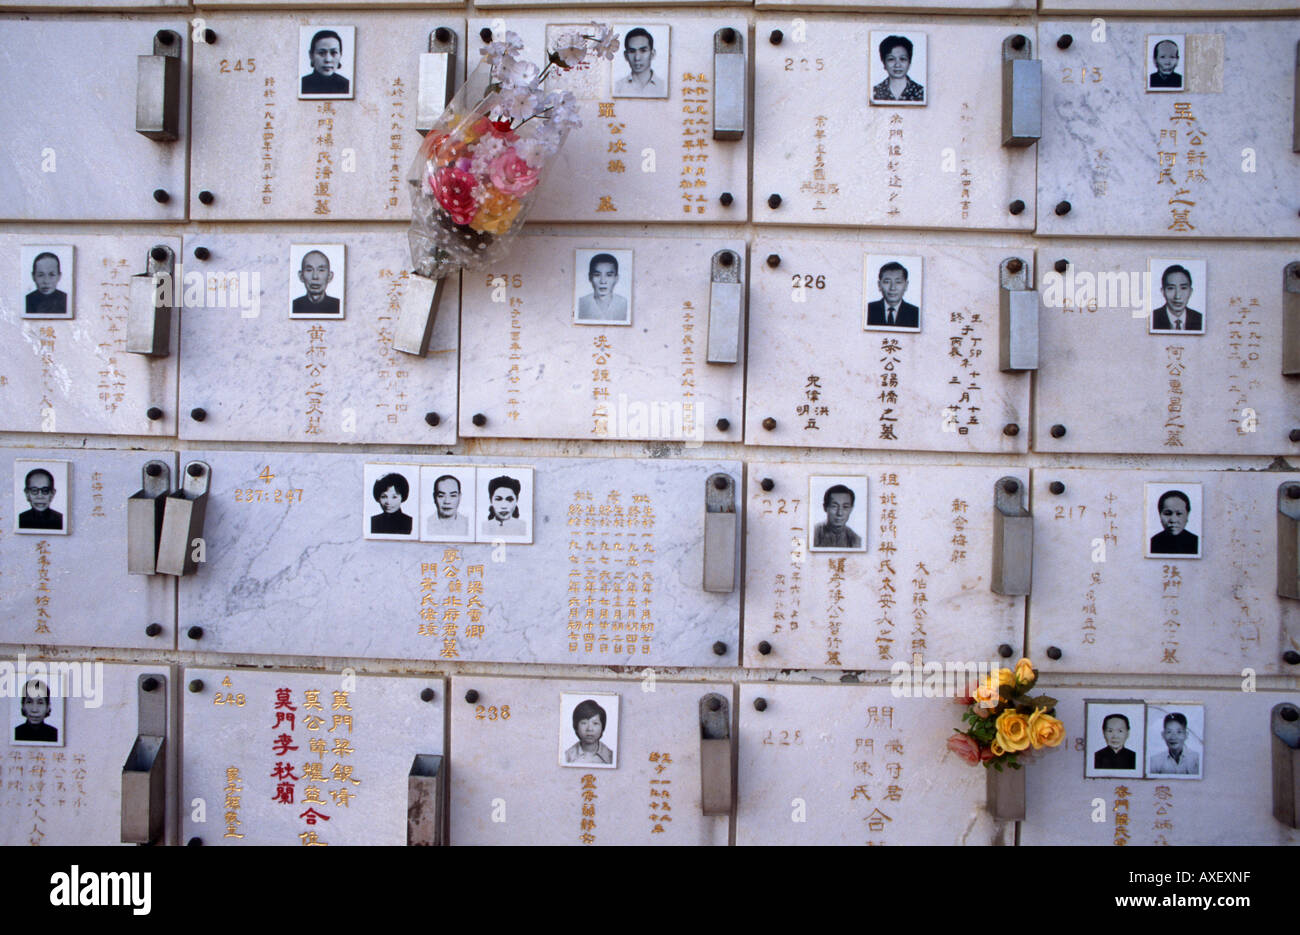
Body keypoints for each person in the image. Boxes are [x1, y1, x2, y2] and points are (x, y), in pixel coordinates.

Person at [576, 253, 628, 323]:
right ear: (590, 277)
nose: (603, 281)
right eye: (597, 275)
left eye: (609, 275)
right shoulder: (580, 304)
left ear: (616, 278)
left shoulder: (625, 305)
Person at [866, 262, 920, 328]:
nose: (892, 288)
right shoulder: (868, 310)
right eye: (887, 282)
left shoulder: (916, 313)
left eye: (898, 282)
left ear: (906, 285)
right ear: (879, 285)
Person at [872, 35, 924, 103]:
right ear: (884, 63)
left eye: (902, 59)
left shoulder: (921, 92)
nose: (897, 65)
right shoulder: (875, 92)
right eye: (891, 59)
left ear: (909, 62)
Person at [1150, 264, 1202, 332]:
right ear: (1163, 292)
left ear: (1190, 291)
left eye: (1183, 288)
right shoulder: (1152, 318)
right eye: (1171, 288)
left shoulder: (1200, 319)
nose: (1177, 296)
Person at [614, 28, 663, 98]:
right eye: (632, 51)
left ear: (652, 54)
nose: (637, 58)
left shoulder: (663, 87)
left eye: (643, 51)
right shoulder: (617, 88)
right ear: (626, 55)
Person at [564, 698, 614, 764]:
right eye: (584, 723)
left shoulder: (611, 757)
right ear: (576, 726)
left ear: (603, 727)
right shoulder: (566, 757)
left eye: (595, 723)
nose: (589, 729)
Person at [291, 250, 341, 317]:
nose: (315, 276)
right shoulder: (294, 306)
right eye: (309, 270)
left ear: (329, 276)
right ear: (301, 276)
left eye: (321, 270)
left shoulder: (338, 306)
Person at [1149, 489, 1198, 556]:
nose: (1173, 520)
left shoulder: (1197, 542)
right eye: (1167, 513)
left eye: (1179, 513)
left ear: (1187, 515)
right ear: (1159, 514)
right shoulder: (1152, 543)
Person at [301, 30, 349, 96]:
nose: (328, 59)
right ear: (311, 55)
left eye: (333, 53)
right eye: (321, 53)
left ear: (340, 55)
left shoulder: (347, 86)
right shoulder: (301, 84)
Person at [813, 484, 861, 548]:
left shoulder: (856, 540)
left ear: (851, 509)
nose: (839, 513)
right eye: (834, 506)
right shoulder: (813, 534)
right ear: (825, 507)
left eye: (845, 507)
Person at [424, 474, 468, 538]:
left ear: (459, 497)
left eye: (453, 495)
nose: (447, 501)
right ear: (434, 497)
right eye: (441, 496)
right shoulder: (425, 525)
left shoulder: (468, 525)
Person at [25, 252, 68, 316]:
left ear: (59, 276)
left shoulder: (66, 300)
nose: (46, 281)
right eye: (40, 275)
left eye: (52, 275)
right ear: (33, 276)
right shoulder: (26, 301)